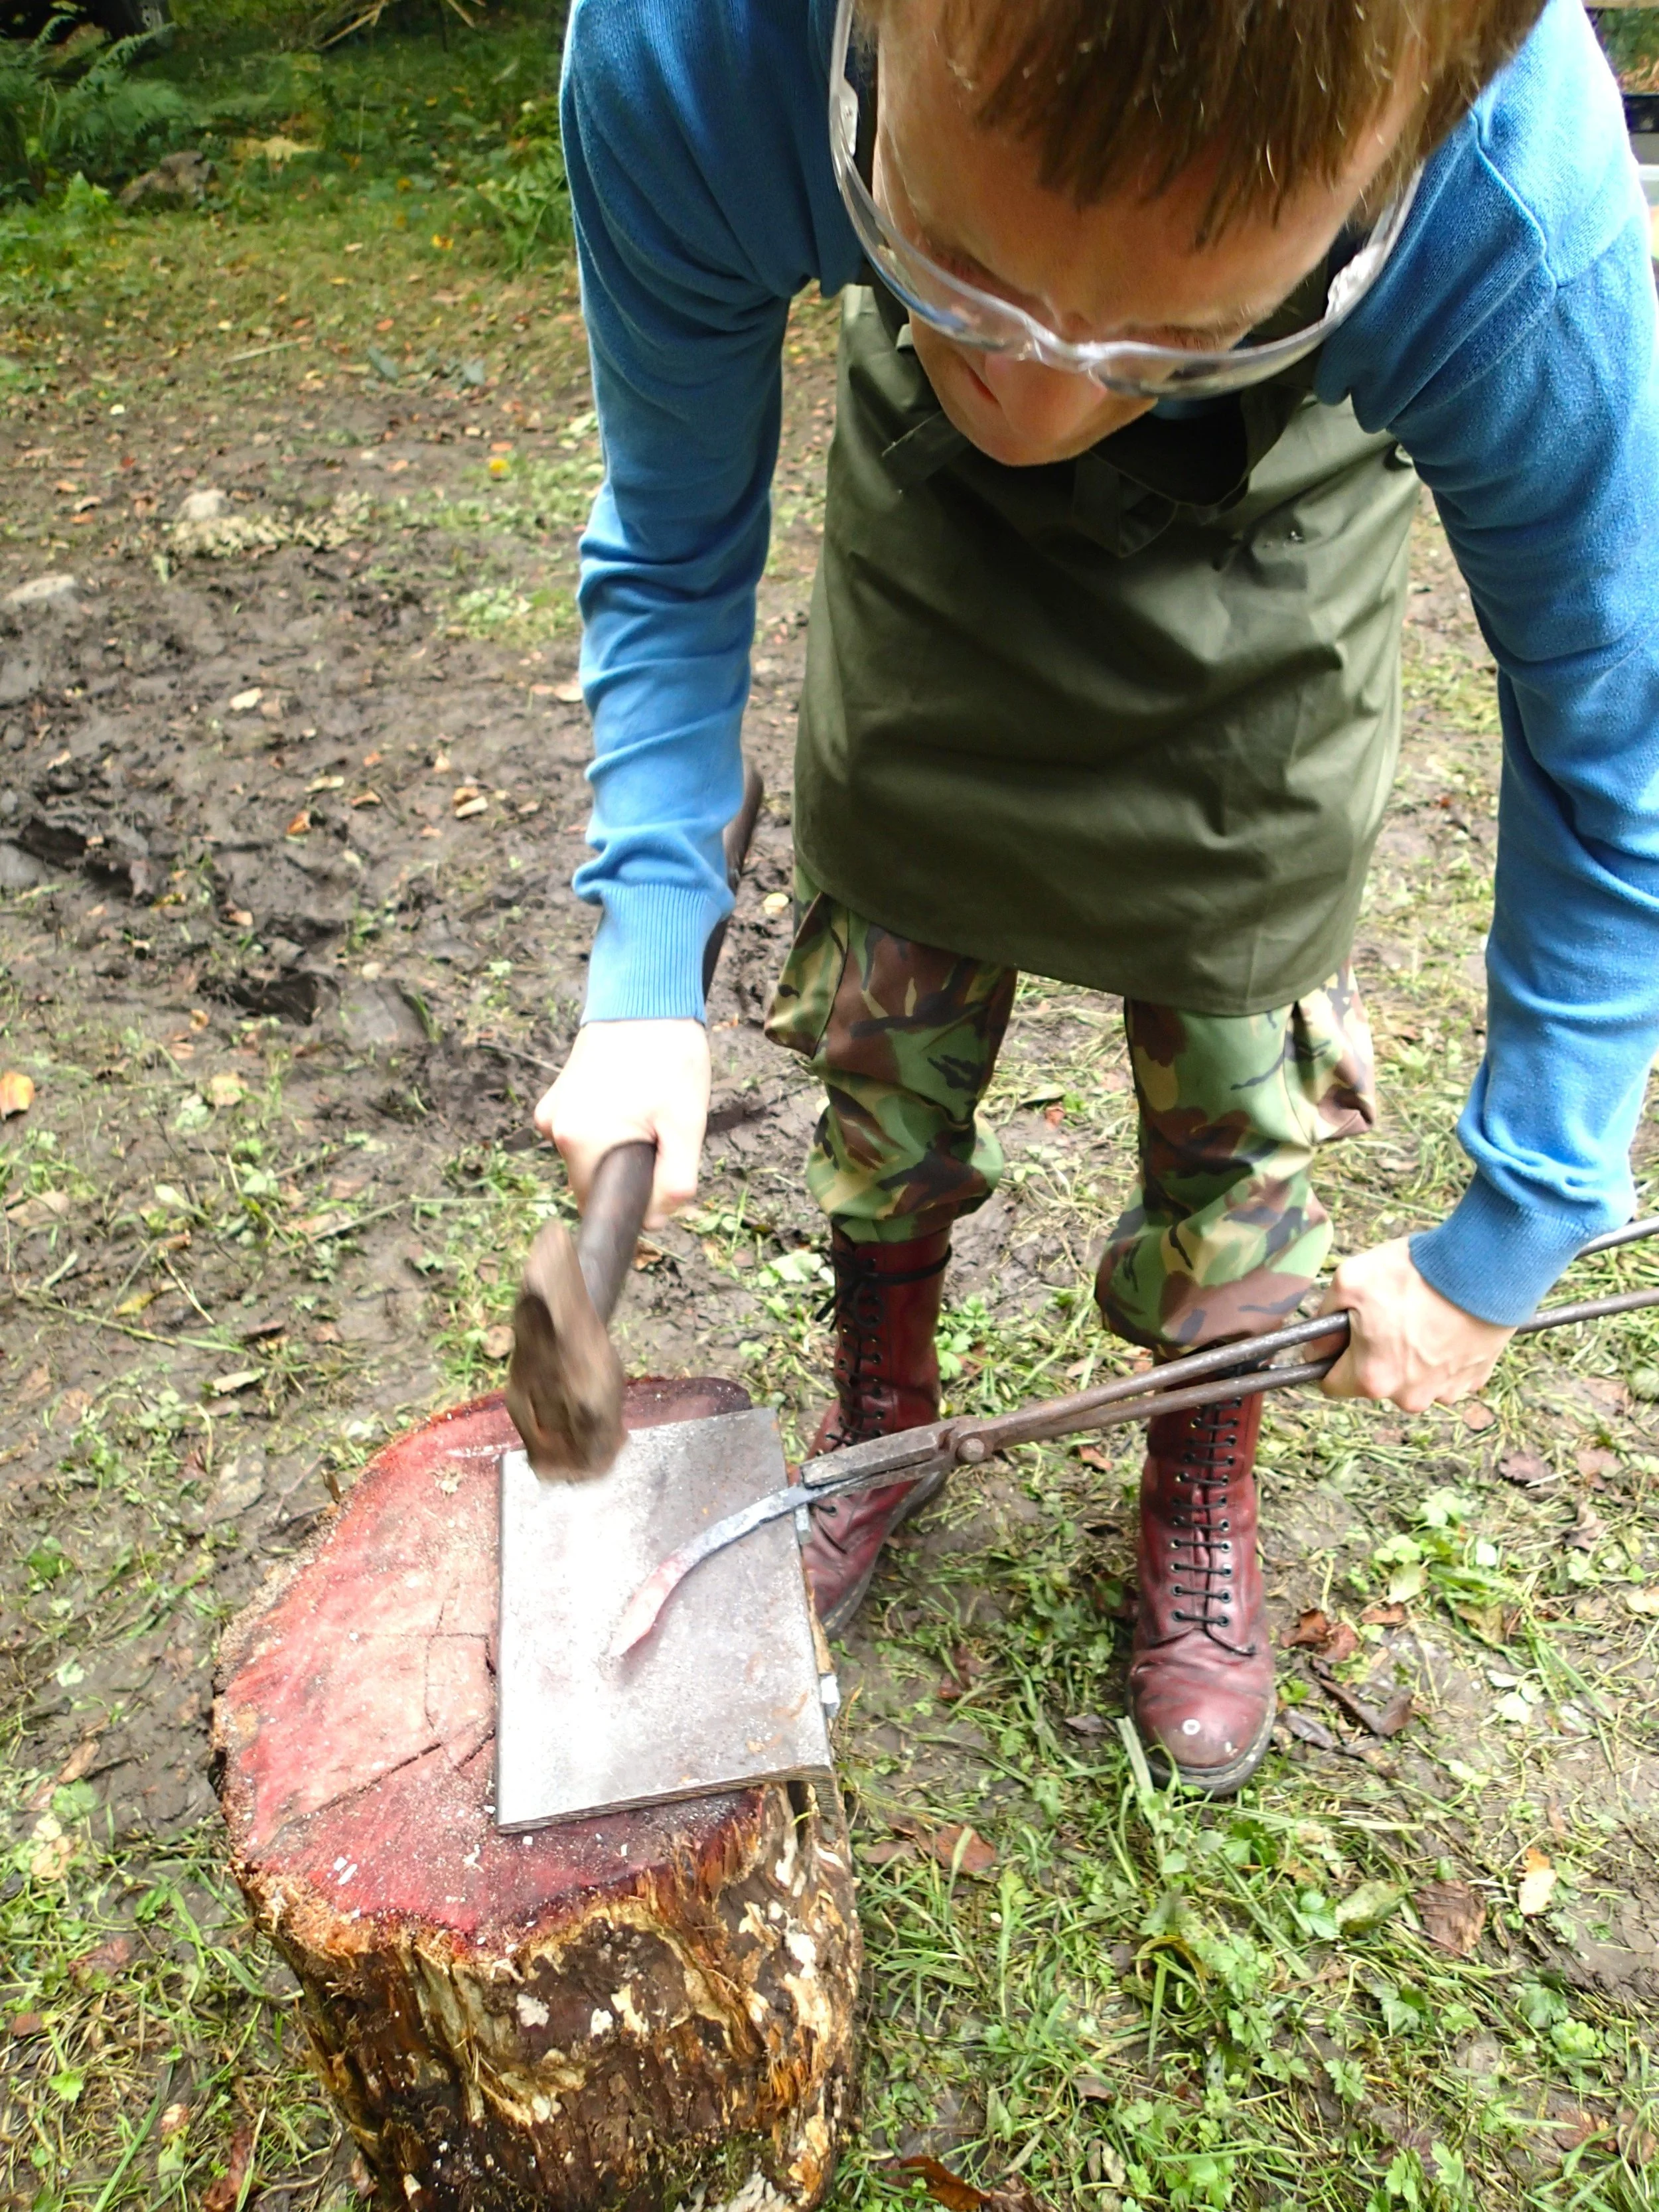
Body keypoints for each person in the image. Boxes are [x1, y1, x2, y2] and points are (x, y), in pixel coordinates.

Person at [537, 0, 1659, 1793]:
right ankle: (877, 1420)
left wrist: (1517, 1216)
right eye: (961, 275)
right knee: (882, 1040)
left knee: (1237, 1090)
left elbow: (1617, 741)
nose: (1039, 404)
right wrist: (642, 974)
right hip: (931, 608)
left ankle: (1198, 1474)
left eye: (1179, 333)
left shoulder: (1506, 212)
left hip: (1257, 632)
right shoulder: (700, 51)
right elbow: (671, 543)